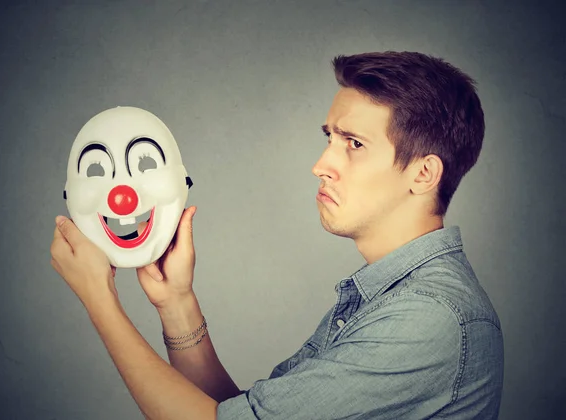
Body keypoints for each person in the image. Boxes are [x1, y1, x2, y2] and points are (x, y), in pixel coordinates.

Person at [50, 51, 504, 419]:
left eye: (354, 144)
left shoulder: (428, 319)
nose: (321, 164)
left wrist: (98, 296)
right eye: (329, 137)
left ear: (424, 173)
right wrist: (176, 303)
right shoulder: (388, 298)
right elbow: (237, 413)